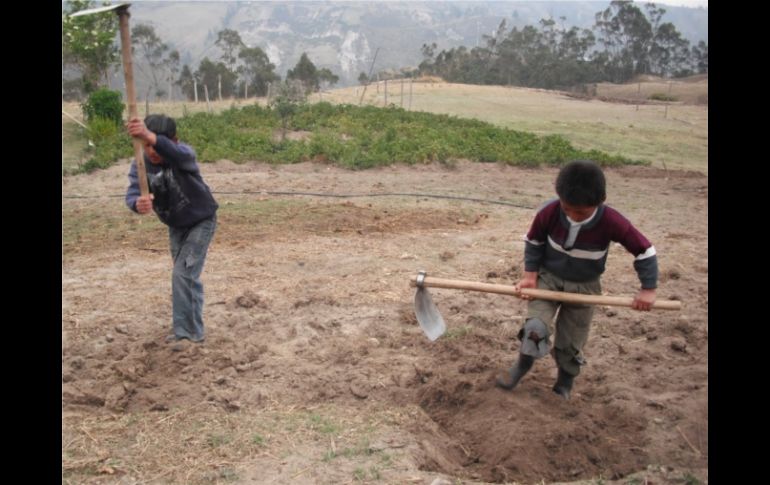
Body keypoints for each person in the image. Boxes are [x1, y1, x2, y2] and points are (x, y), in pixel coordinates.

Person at [496, 160, 658, 399]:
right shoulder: (550, 212)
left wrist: (648, 289)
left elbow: (645, 251)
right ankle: (522, 365)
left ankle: (564, 383)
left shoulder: (612, 221)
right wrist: (529, 276)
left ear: (600, 200)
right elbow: (534, 241)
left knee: (570, 344)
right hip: (548, 280)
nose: (572, 215)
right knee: (535, 328)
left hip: (584, 287)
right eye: (567, 209)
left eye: (580, 212)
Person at [125, 114, 218, 345]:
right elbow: (133, 192)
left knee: (182, 274)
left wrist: (150, 136)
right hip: (175, 226)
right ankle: (190, 329)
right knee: (185, 277)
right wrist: (137, 203)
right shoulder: (140, 165)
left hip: (201, 221)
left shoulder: (182, 155)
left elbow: (179, 154)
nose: (152, 151)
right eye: (146, 146)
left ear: (174, 141)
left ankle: (187, 334)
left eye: (155, 144)